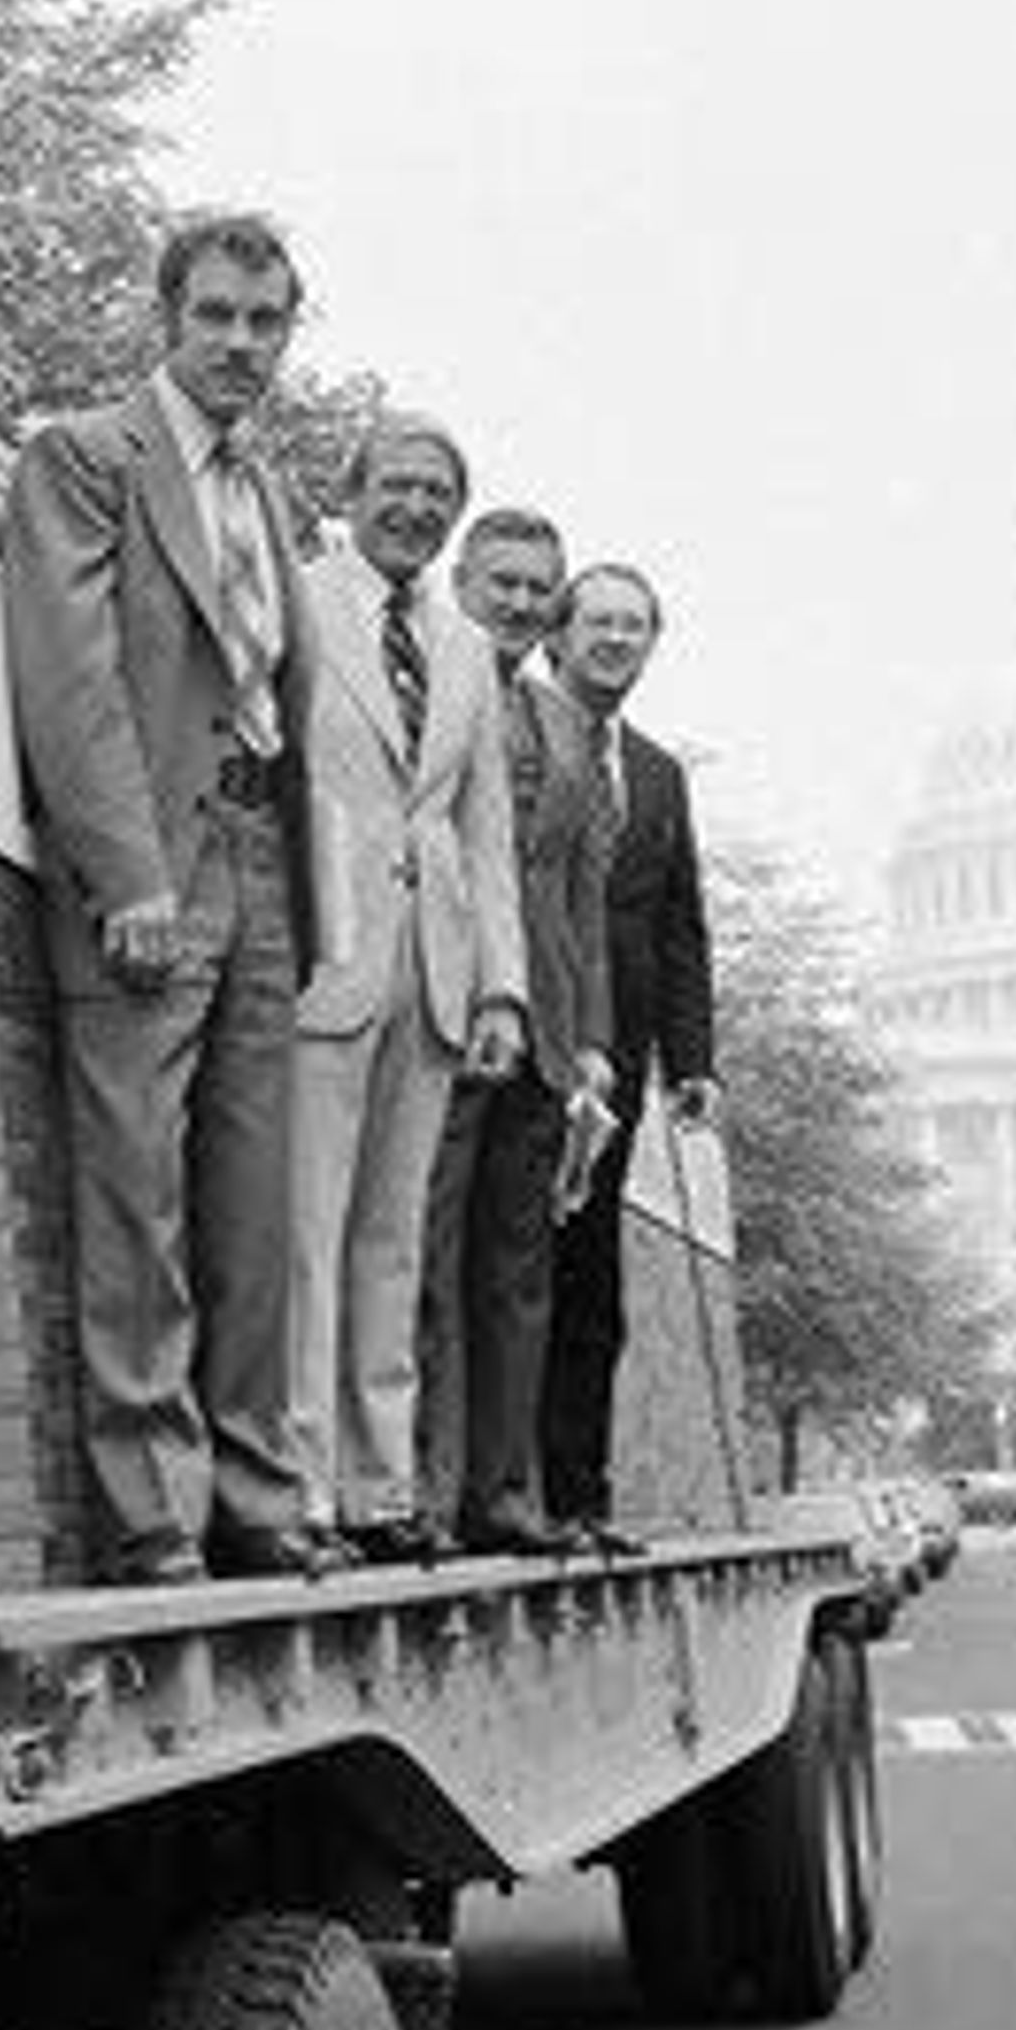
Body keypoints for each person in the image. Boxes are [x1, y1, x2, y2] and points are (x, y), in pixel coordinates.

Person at [2, 208, 334, 1586]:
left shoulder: (267, 491)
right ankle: (153, 1510)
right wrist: (126, 873)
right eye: (217, 317)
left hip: (263, 856)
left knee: (252, 1206)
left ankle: (259, 1496)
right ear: (167, 317)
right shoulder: (85, 458)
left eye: (266, 324)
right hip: (156, 866)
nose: (241, 346)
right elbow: (72, 683)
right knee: (138, 1194)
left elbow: (277, 696)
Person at [282, 416, 527, 1564]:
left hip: (432, 971)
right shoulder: (291, 598)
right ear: (353, 490)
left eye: (438, 492)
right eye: (397, 486)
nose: (416, 508)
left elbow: (486, 837)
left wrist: (501, 993)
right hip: (323, 952)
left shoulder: (464, 647)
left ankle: (380, 1490)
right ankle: (301, 1489)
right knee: (304, 1231)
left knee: (391, 1242)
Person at [417, 508, 617, 1555]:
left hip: (543, 1040)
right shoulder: (427, 687)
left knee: (519, 1276)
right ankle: (430, 1495)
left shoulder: (565, 723)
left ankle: (508, 1493)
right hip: (443, 1014)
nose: (523, 603)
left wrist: (589, 1042)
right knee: (427, 1262)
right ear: (462, 582)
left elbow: (584, 901)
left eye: (541, 588)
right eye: (504, 582)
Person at [538, 563, 717, 1544]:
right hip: (534, 1039)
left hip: (622, 1058)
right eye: (598, 621)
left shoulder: (657, 772)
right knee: (519, 1273)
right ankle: (508, 1489)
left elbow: (680, 924)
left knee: (592, 1285)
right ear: (560, 634)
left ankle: (578, 1492)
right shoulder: (515, 732)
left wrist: (693, 1058)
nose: (614, 640)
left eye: (634, 626)